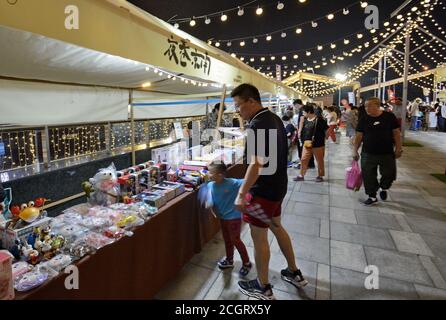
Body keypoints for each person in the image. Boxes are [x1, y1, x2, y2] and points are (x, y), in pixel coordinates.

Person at [231, 84, 308, 300]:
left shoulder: (257, 125)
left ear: (251, 101)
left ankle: (263, 286)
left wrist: (241, 193)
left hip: (262, 191)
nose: (237, 110)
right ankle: (294, 272)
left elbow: (256, 164)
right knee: (276, 225)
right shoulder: (273, 118)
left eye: (238, 105)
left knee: (259, 236)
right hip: (278, 186)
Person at [353, 97, 402, 206]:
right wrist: (355, 150)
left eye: (369, 105)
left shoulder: (389, 117)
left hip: (387, 153)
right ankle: (372, 195)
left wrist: (398, 148)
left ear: (377, 105)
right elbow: (359, 136)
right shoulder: (364, 119)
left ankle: (384, 187)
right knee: (368, 175)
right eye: (365, 106)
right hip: (368, 153)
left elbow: (396, 133)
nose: (366, 108)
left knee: (388, 174)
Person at [207, 162, 252, 277]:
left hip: (234, 218)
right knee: (227, 239)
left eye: (211, 172)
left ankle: (246, 263)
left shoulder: (232, 183)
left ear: (221, 175)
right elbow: (209, 198)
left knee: (235, 240)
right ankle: (229, 260)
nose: (208, 174)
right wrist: (209, 204)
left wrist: (246, 199)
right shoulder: (210, 185)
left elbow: (247, 181)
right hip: (222, 217)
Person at [293, 104, 329, 182]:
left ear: (309, 112)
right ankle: (301, 175)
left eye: (304, 112)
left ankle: (320, 175)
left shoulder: (319, 120)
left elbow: (326, 129)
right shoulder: (305, 120)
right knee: (303, 159)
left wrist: (326, 137)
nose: (303, 114)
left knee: (319, 160)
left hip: (318, 144)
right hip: (307, 144)